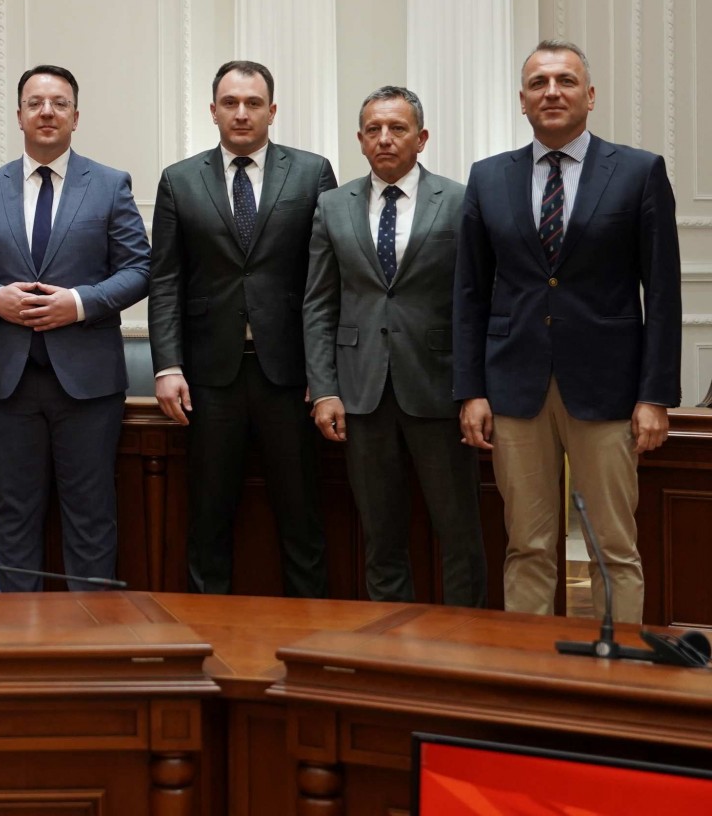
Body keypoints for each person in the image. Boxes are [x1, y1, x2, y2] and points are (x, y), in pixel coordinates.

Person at [455, 39, 681, 621]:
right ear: (522, 100)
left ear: (590, 95)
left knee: (613, 547)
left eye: (565, 81)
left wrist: (655, 395)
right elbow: (470, 293)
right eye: (539, 83)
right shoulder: (488, 177)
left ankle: (617, 666)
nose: (552, 92)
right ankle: (529, 668)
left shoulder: (638, 171)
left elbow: (662, 292)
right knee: (526, 546)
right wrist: (471, 390)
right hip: (514, 388)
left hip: (607, 389)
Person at [0, 65, 150, 592]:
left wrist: (78, 304)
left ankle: (90, 628)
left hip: (89, 383)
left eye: (59, 103)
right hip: (9, 382)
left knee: (91, 514)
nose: (47, 112)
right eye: (35, 103)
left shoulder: (109, 184)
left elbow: (139, 269)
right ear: (19, 116)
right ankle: (17, 631)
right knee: (14, 512)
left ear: (76, 117)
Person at [149, 59, 337, 597]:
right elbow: (166, 279)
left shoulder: (312, 173)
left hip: (291, 376)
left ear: (272, 111)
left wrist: (325, 373)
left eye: (253, 103)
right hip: (210, 378)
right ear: (212, 111)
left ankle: (310, 629)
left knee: (301, 518)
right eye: (230, 103)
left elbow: (329, 280)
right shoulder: (179, 180)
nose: (241, 113)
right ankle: (210, 630)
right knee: (209, 517)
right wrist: (167, 364)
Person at [304, 87, 484, 606]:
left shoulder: (459, 200)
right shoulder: (332, 205)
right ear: (360, 140)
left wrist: (475, 388)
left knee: (459, 532)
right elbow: (318, 304)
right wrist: (324, 389)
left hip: (438, 389)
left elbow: (476, 300)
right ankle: (390, 638)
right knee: (380, 535)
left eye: (397, 128)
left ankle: (466, 638)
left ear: (421, 138)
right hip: (361, 394)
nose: (384, 138)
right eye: (373, 130)